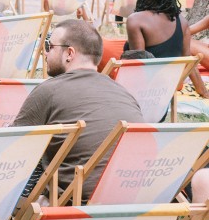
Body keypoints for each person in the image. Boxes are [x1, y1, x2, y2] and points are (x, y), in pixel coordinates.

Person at [12, 20, 142, 199]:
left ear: (69, 53)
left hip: (75, 206)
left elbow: (11, 150)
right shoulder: (124, 93)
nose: (46, 53)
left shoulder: (50, 90)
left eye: (50, 46)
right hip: (133, 198)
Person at [124, 0, 209, 98]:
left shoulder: (136, 20)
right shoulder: (181, 20)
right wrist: (203, 92)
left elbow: (139, 63)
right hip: (173, 84)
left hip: (148, 88)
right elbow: (188, 61)